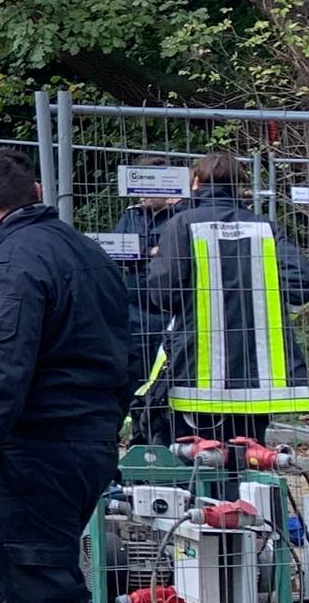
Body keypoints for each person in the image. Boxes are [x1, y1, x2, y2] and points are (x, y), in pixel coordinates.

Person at [0, 148, 136, 603]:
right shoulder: (88, 251)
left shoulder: (12, 264)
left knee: (36, 580)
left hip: (38, 449)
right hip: (90, 442)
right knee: (31, 569)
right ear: (35, 191)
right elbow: (129, 351)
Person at [146, 152, 309, 447]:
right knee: (247, 460)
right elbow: (301, 284)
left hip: (196, 372)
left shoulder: (182, 224)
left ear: (196, 183)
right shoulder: (265, 228)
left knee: (194, 460)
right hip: (257, 376)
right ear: (239, 186)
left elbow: (162, 292)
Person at [110, 179, 183, 441]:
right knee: (133, 372)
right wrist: (150, 251)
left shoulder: (180, 216)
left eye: (146, 189)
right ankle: (134, 432)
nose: (141, 195)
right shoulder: (132, 216)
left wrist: (140, 253)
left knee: (166, 375)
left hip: (169, 311)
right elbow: (115, 251)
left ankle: (163, 434)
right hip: (134, 309)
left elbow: (177, 255)